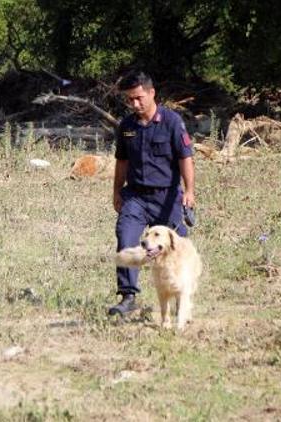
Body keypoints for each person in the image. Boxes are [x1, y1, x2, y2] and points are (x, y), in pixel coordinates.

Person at [108, 70, 195, 316]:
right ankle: (128, 297)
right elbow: (121, 161)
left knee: (178, 247)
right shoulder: (126, 127)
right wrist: (116, 191)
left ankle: (181, 298)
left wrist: (189, 191)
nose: (135, 104)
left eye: (139, 98)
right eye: (130, 99)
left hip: (167, 197)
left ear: (151, 93)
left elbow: (185, 158)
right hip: (135, 196)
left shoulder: (172, 122)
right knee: (126, 238)